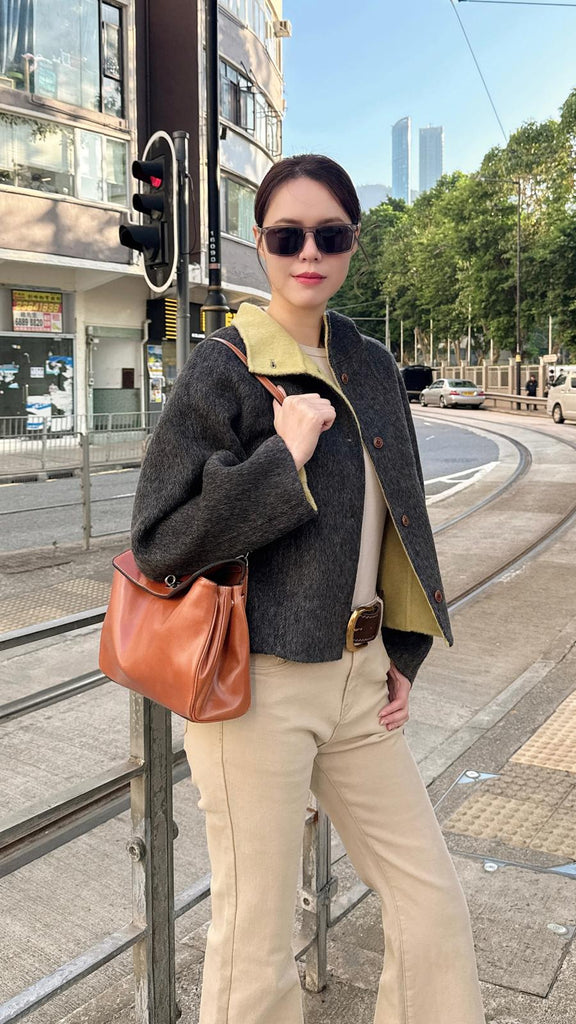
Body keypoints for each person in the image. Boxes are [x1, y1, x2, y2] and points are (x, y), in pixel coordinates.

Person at [131, 154, 485, 1024]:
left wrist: (403, 647)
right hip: (256, 687)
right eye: (287, 237)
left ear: (354, 242)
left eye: (329, 234)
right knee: (255, 943)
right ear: (259, 245)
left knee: (431, 904)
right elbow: (160, 539)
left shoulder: (371, 364)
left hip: (360, 682)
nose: (309, 254)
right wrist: (280, 459)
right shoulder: (224, 365)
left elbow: (403, 514)